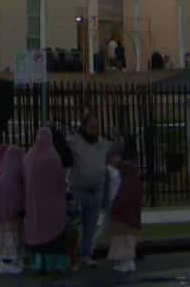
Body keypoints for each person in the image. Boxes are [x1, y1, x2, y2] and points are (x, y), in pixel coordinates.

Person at [67, 113, 111, 269]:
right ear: (83, 127)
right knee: (76, 228)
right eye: (91, 126)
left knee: (90, 227)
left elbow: (117, 147)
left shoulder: (103, 144)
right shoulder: (75, 141)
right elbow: (61, 143)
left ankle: (86, 255)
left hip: (96, 191)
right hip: (79, 191)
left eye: (97, 126)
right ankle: (74, 258)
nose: (95, 130)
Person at [23, 127, 70, 273]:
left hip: (33, 204)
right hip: (52, 206)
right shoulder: (52, 156)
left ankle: (38, 263)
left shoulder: (29, 156)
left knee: (37, 232)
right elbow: (59, 180)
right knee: (53, 234)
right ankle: (55, 264)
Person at [106, 141, 144, 274]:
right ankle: (129, 262)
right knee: (129, 240)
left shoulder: (124, 178)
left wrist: (114, 209)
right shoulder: (135, 179)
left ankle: (124, 263)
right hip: (132, 217)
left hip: (121, 217)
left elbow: (121, 197)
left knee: (120, 241)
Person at [0, 144, 25, 275]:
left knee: (1, 236)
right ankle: (8, 262)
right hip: (13, 212)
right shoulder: (15, 171)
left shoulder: (1, 173)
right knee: (11, 237)